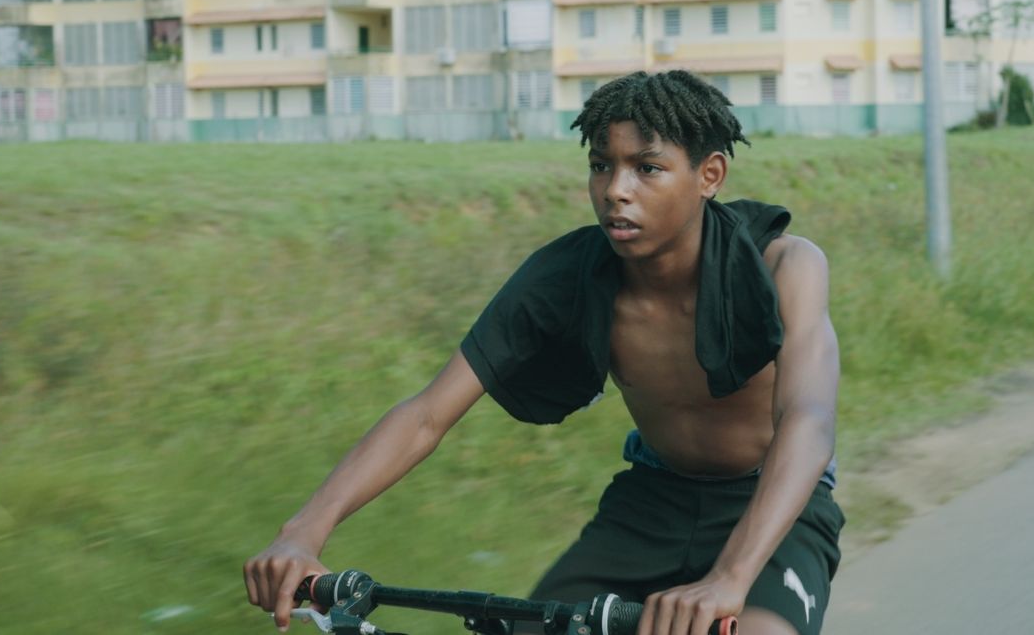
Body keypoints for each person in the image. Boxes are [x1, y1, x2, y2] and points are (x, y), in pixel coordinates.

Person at [245, 70, 844, 635]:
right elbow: (428, 414)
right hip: (651, 501)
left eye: (647, 168)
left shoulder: (782, 265)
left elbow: (808, 421)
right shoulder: (565, 275)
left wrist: (730, 576)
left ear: (709, 175)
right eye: (601, 166)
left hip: (772, 500)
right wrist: (303, 531)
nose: (615, 191)